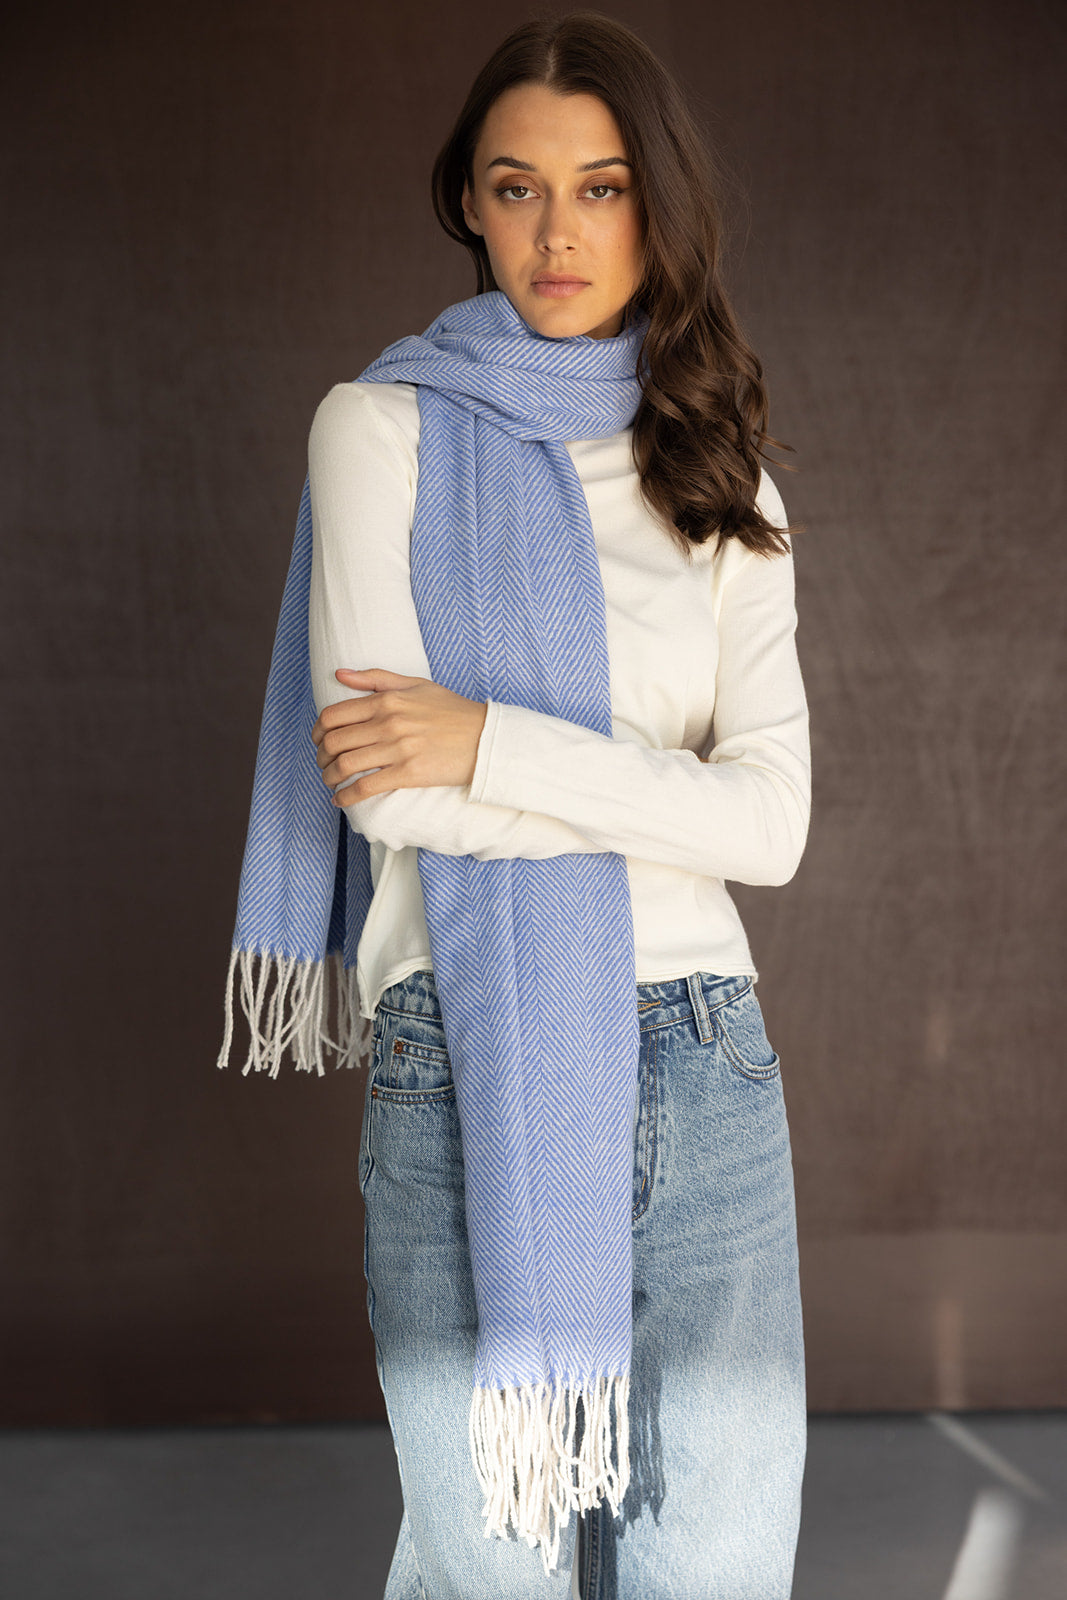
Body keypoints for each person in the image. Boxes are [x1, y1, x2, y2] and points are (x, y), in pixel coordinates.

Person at [304, 11, 810, 1597]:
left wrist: (490, 744)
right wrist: (649, 797)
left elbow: (773, 826)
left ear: (655, 203)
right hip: (461, 1053)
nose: (558, 232)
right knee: (489, 1573)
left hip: (705, 1059)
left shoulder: (720, 479)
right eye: (519, 188)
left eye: (601, 188)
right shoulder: (377, 431)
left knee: (716, 1573)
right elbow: (391, 796)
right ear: (469, 200)